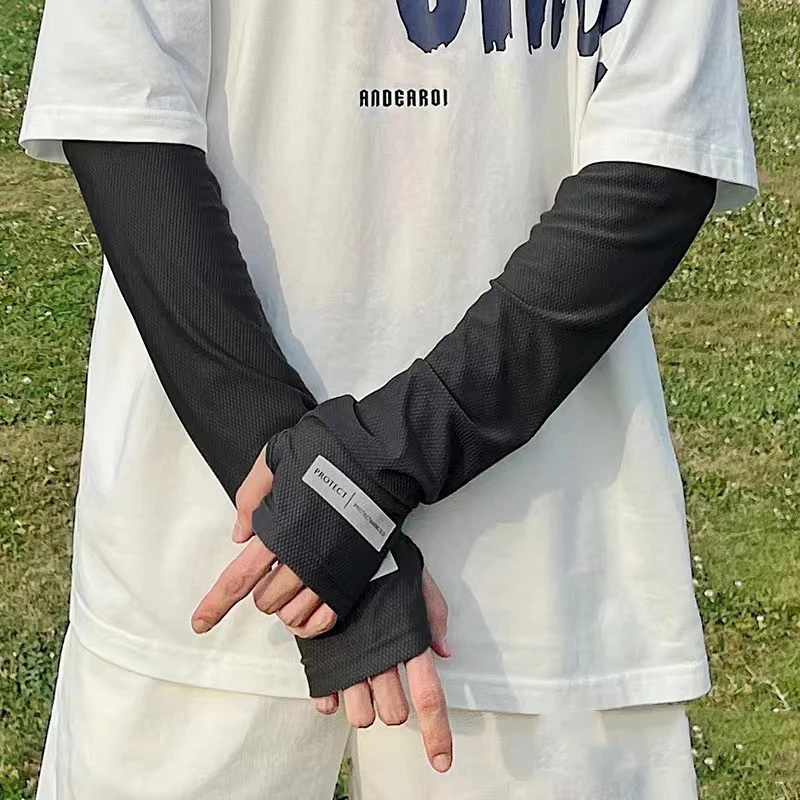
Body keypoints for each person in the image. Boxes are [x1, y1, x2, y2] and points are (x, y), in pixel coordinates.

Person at [19, 0, 757, 798]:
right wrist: (321, 512)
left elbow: (657, 168)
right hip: (223, 556)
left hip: (526, 588)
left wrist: (353, 487)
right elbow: (124, 122)